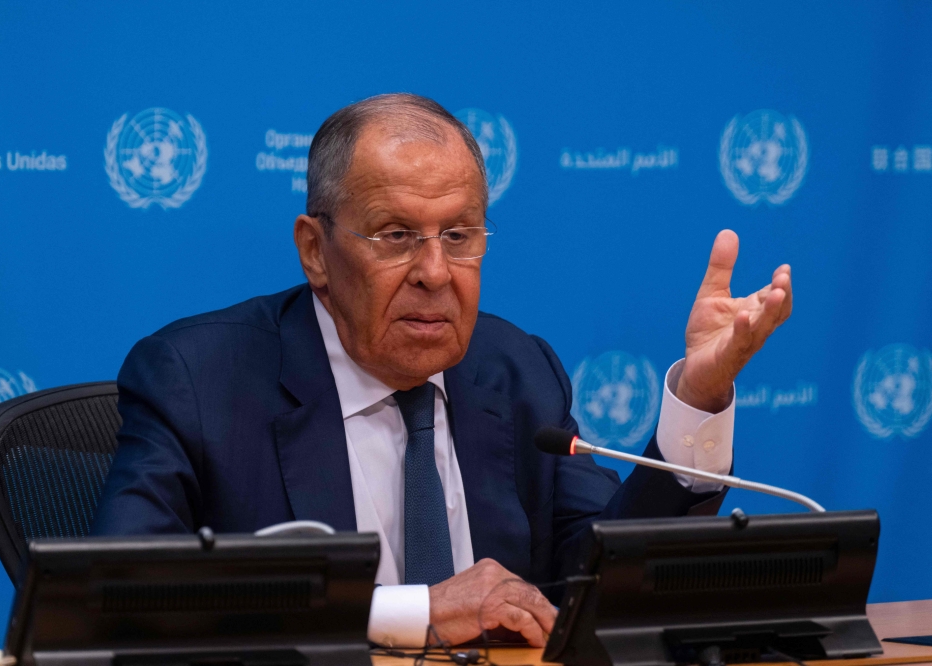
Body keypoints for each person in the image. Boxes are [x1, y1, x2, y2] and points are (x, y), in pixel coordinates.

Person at [92, 93, 793, 648]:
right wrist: (410, 613)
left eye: (459, 236)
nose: (434, 273)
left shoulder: (515, 369)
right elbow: (126, 594)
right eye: (396, 236)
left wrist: (700, 394)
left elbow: (599, 577)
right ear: (314, 250)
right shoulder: (200, 379)